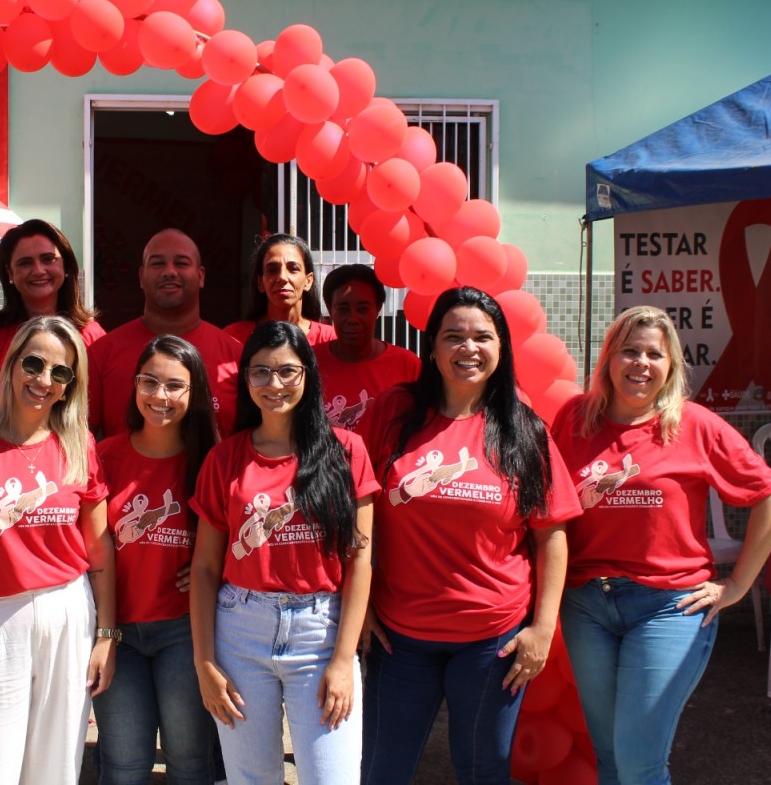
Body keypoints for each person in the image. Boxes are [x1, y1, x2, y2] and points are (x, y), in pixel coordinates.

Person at [551, 305, 771, 785]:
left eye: (654, 354)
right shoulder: (574, 418)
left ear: (671, 365)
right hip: (586, 605)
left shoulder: (694, 425)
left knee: (639, 761)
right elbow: (549, 501)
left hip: (668, 607)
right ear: (608, 359)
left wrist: (740, 584)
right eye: (629, 350)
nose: (641, 363)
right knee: (611, 756)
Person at [356, 286, 581, 785]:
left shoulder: (523, 429)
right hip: (399, 638)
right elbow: (358, 511)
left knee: (483, 772)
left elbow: (552, 534)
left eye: (483, 336)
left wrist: (542, 630)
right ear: (431, 348)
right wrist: (361, 608)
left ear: (501, 349)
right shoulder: (393, 411)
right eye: (453, 336)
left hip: (491, 641)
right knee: (380, 772)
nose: (468, 348)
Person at [0, 316, 117, 784]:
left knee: (56, 766)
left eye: (61, 373)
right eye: (33, 363)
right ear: (12, 363)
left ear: (71, 385)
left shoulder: (79, 445)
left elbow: (99, 548)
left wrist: (107, 635)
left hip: (67, 611)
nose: (44, 380)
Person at [190, 320, 377, 784]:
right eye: (261, 373)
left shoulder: (346, 450)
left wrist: (342, 659)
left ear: (308, 375)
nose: (274, 384)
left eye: (287, 372)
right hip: (240, 632)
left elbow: (360, 562)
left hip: (321, 634)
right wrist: (205, 662)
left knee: (332, 777)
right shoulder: (225, 458)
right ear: (246, 380)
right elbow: (206, 568)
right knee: (252, 779)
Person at [93, 335, 220, 785]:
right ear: (134, 385)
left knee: (189, 764)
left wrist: (213, 570)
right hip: (117, 636)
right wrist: (102, 635)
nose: (160, 397)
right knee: (124, 767)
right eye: (150, 382)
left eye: (174, 386)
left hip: (184, 634)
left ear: (194, 393)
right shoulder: (105, 455)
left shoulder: (210, 461)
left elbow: (234, 539)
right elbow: (87, 546)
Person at [88, 228, 239, 439]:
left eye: (181, 263)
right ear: (141, 276)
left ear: (201, 275)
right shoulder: (101, 354)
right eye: (158, 263)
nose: (169, 271)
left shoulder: (236, 357)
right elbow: (80, 444)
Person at [0, 218, 104, 389]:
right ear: (10, 272)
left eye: (48, 259)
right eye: (25, 263)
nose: (38, 270)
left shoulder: (92, 336)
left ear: (66, 266)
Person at [312, 264, 421, 431]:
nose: (353, 318)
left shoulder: (407, 365)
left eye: (363, 309)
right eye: (343, 309)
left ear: (377, 309)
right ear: (329, 309)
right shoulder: (309, 363)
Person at [223, 233, 336, 347]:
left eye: (293, 269)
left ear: (308, 281)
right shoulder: (234, 338)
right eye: (272, 270)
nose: (282, 277)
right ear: (260, 283)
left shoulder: (330, 339)